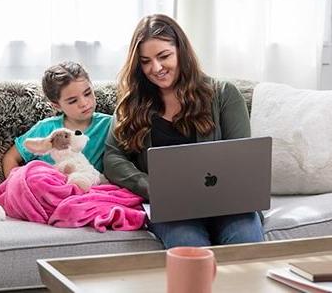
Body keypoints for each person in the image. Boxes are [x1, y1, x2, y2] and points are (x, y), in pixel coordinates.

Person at [103, 14, 264, 248]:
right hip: (172, 209)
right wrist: (150, 186)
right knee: (188, 244)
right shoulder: (132, 105)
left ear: (181, 51)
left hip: (228, 206)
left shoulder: (224, 95)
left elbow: (241, 157)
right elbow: (112, 157)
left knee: (245, 239)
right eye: (145, 61)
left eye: (164, 56)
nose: (155, 68)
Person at [2, 61, 112, 178]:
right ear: (57, 105)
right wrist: (16, 185)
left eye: (87, 93)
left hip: (91, 188)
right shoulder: (46, 128)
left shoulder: (109, 124)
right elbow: (10, 157)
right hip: (50, 189)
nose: (84, 103)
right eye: (73, 101)